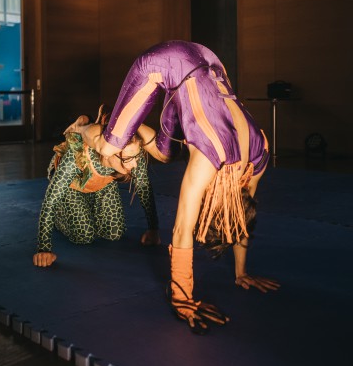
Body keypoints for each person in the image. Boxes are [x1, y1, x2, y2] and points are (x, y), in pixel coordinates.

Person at [65, 41, 280, 334]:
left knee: (166, 153)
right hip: (166, 62)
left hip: (210, 63)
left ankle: (130, 124)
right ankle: (84, 127)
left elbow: (240, 225)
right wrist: (183, 298)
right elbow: (181, 231)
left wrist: (242, 273)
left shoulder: (259, 158)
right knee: (107, 147)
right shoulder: (208, 160)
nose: (205, 205)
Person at [33, 107, 160, 268]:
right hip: (73, 188)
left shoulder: (133, 151)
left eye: (135, 157)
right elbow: (51, 199)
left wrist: (153, 229)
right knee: (84, 235)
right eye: (128, 159)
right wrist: (44, 247)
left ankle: (89, 206)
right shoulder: (77, 155)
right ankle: (61, 216)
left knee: (114, 233)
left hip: (102, 185)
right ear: (109, 152)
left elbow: (144, 188)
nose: (134, 164)